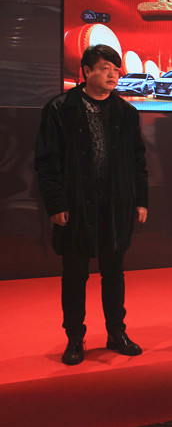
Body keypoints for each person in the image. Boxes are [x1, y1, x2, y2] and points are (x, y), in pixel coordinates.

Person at [34, 44, 148, 365]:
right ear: (86, 71)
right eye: (104, 68)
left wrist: (141, 200)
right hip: (76, 204)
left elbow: (138, 161)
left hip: (115, 205)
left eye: (116, 69)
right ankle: (74, 337)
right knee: (74, 274)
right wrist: (55, 202)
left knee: (114, 272)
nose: (113, 75)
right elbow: (47, 161)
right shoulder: (60, 109)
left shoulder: (126, 112)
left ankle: (116, 332)